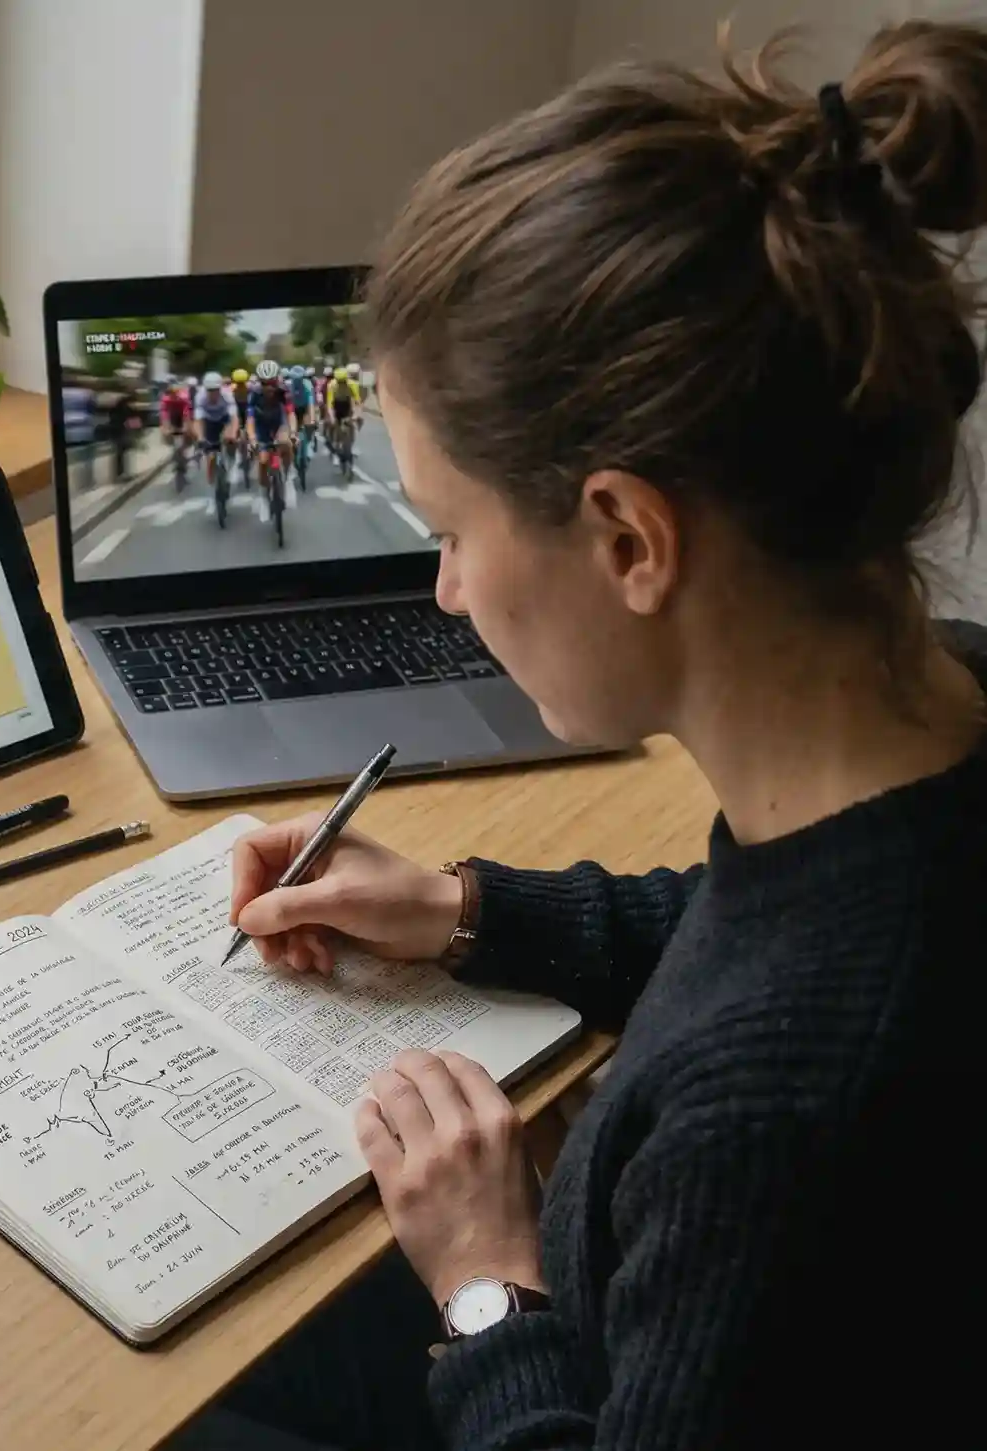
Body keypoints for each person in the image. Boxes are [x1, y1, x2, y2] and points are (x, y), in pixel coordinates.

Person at [189, 19, 987, 1451]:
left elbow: (790, 1019)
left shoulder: (775, 1120)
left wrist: (492, 1285)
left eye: (449, 530)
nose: (444, 588)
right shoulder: (938, 716)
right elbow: (756, 931)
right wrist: (464, 909)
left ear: (626, 535)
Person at [246, 360, 294, 519]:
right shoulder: (254, 393)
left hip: (279, 423)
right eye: (265, 383)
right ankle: (263, 496)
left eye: (272, 383)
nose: (269, 387)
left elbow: (290, 414)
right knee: (263, 460)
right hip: (261, 428)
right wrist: (252, 439)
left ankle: (287, 477)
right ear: (260, 382)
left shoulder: (283, 390)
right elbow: (250, 419)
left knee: (286, 443)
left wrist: (292, 432)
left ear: (277, 380)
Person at [191, 370, 237, 495]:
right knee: (210, 458)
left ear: (220, 388)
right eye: (209, 390)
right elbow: (198, 421)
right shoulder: (200, 397)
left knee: (230, 440)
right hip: (209, 422)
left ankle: (231, 466)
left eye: (215, 390)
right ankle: (212, 492)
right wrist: (200, 438)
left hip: (224, 420)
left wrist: (232, 433)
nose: (213, 393)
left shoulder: (227, 395)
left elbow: (234, 418)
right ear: (205, 389)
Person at [160, 376, 193, 484]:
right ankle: (175, 455)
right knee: (168, 436)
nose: (173, 395)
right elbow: (165, 415)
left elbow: (186, 414)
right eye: (171, 393)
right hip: (173, 417)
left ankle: (184, 456)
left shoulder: (183, 398)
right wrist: (166, 428)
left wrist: (186, 427)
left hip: (182, 416)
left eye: (175, 393)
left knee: (187, 435)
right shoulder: (165, 400)